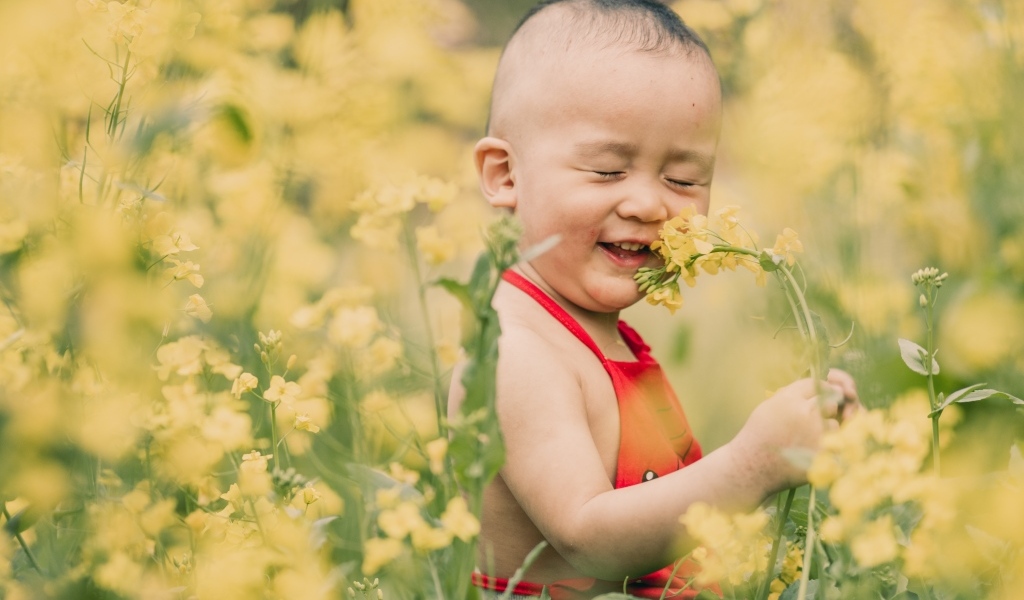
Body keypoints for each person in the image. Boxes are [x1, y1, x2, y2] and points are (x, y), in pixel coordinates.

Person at [447, 1, 860, 598]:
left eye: (685, 180)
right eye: (608, 171)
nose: (649, 205)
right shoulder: (515, 353)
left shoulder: (603, 336)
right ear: (505, 175)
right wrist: (754, 463)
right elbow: (587, 537)